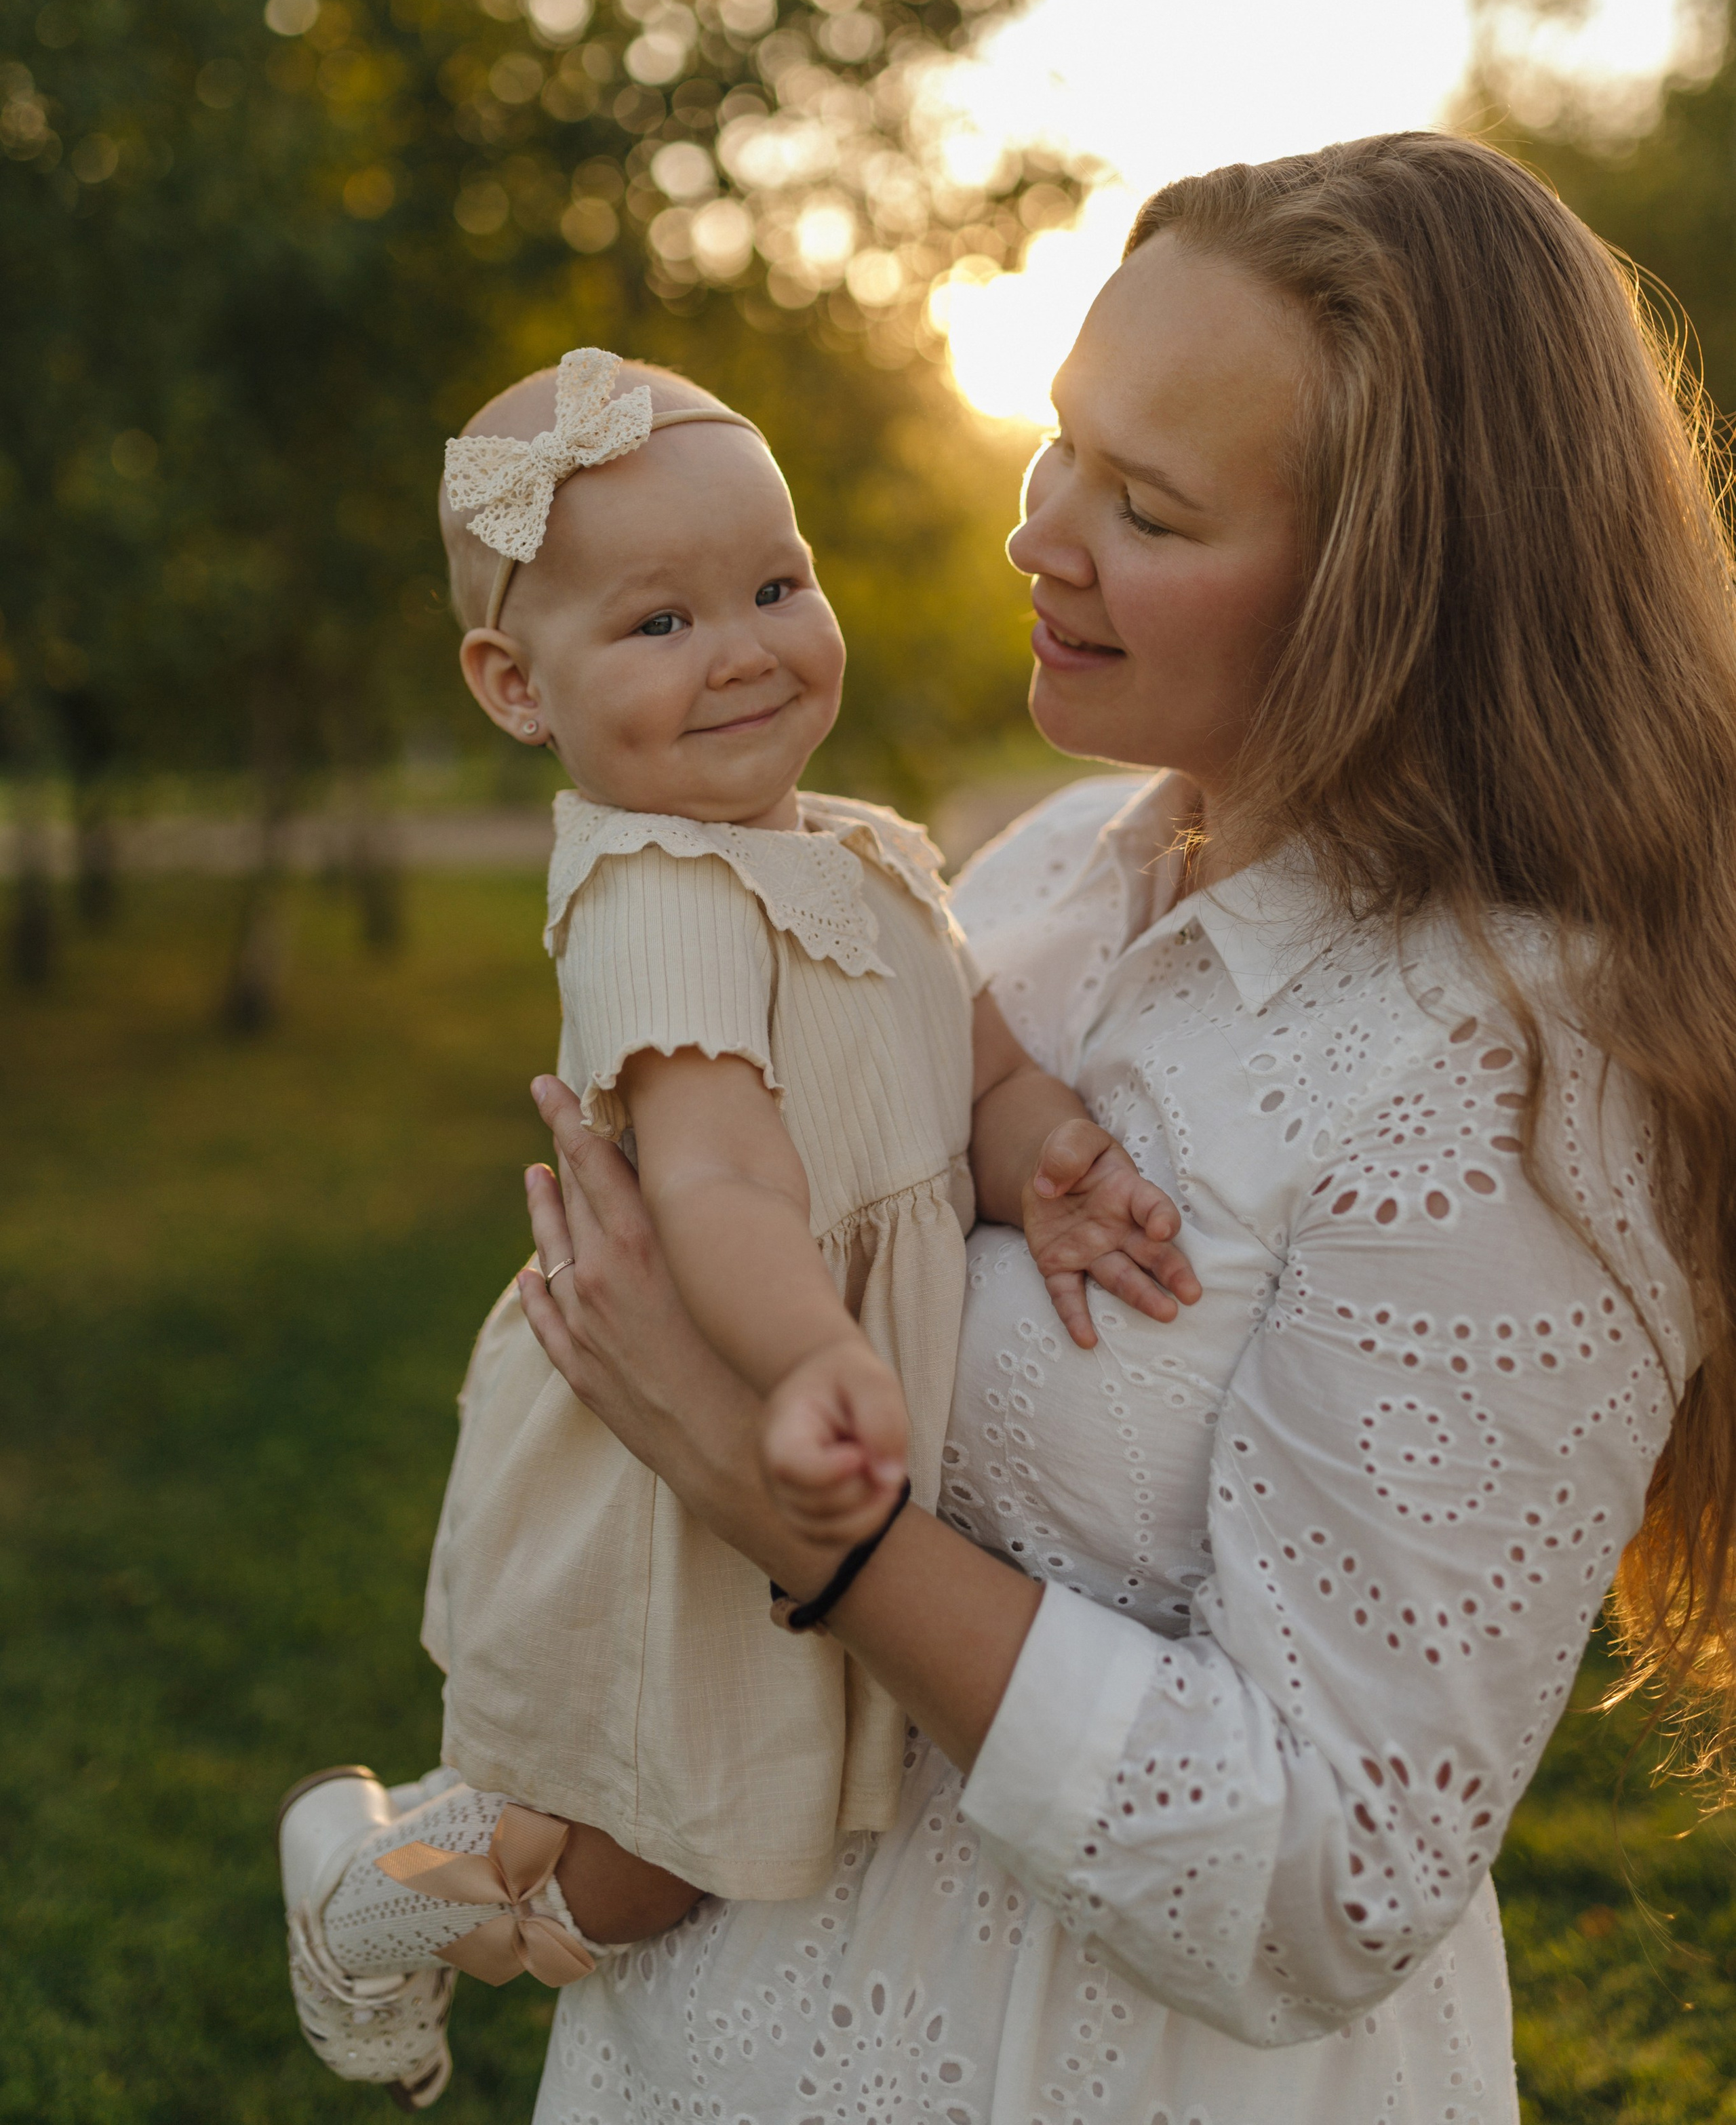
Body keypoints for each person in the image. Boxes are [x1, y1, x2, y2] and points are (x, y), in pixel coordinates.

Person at [511, 133, 1736, 2125]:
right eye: (1059, 445)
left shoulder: (1512, 1081)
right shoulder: (1059, 864)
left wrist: (808, 1522)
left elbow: (1329, 1882)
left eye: (1147, 509)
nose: (1040, 537)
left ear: (1389, 599)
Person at [276, 347, 1198, 2109]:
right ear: (512, 684)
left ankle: (435, 1870)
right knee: (672, 1842)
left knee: (733, 1809)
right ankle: (380, 1888)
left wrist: (1056, 1160)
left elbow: (977, 1074)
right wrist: (816, 1356)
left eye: (778, 586)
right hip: (713, 1419)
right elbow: (719, 1183)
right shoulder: (656, 893)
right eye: (659, 624)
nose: (747, 648)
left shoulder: (860, 852)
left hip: (800, 1400)